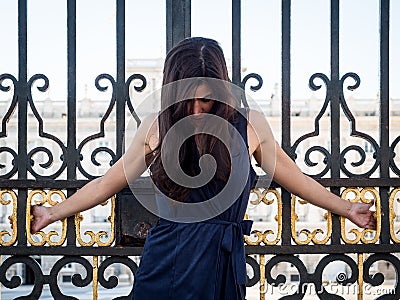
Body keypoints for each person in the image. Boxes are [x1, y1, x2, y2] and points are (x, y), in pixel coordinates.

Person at [30, 37, 376, 300]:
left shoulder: (250, 125)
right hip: (167, 260)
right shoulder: (156, 127)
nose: (197, 108)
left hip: (224, 260)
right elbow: (107, 183)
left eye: (207, 98)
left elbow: (295, 178)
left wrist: (348, 209)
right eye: (188, 98)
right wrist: (53, 212)